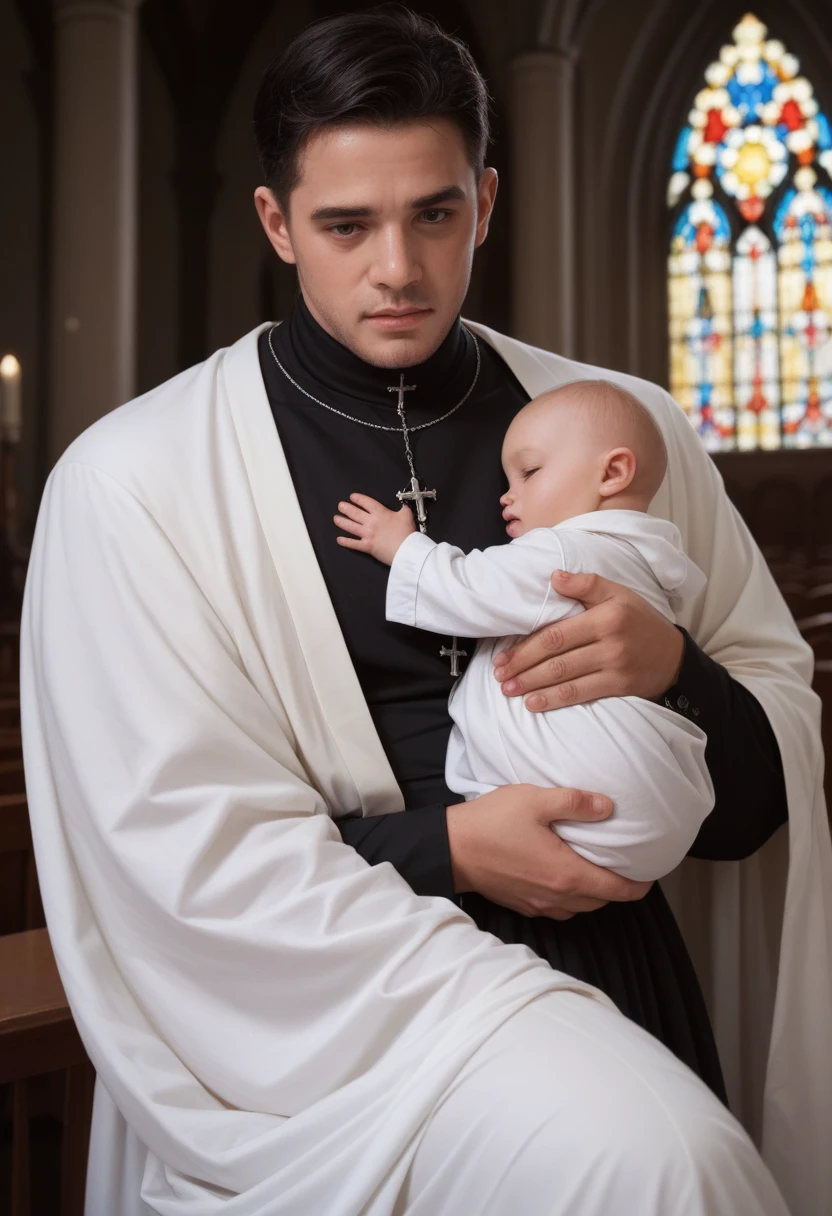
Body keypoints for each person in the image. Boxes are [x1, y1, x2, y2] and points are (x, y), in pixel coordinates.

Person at [19, 5, 832, 1214]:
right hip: (326, 1017)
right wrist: (449, 846)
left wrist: (673, 668)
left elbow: (761, 800)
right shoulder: (130, 480)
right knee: (659, 1165)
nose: (395, 268)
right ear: (274, 222)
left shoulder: (623, 432)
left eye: (433, 214)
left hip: (622, 973)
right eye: (345, 224)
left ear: (485, 203)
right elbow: (167, 867)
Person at [333, 378, 715, 882]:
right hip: (652, 811)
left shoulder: (567, 551)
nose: (506, 497)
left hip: (604, 800)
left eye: (529, 472)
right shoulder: (643, 559)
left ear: (614, 473)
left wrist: (402, 547)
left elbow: (469, 590)